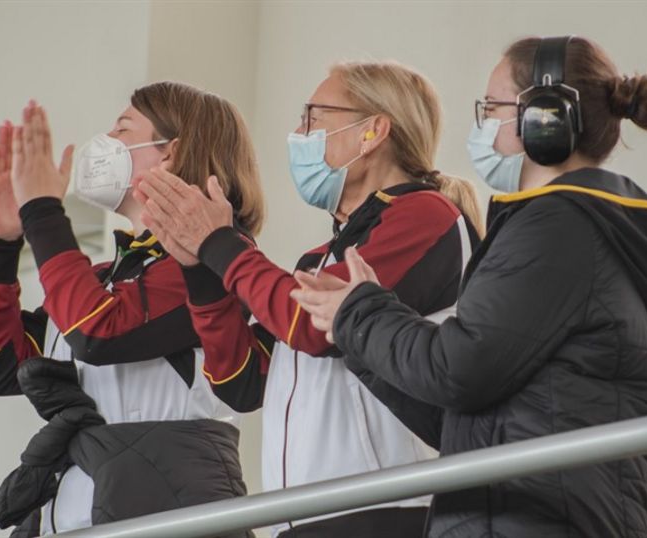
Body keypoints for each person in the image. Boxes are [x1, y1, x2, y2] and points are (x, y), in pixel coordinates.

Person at [291, 36, 647, 537]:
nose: (482, 125)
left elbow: (460, 369)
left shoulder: (559, 226)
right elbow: (458, 416)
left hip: (541, 521)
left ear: (547, 117)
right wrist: (356, 335)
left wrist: (363, 315)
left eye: (493, 107)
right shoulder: (558, 226)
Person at [134, 61, 481, 537]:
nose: (298, 132)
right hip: (303, 516)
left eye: (314, 117)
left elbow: (314, 328)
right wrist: (201, 271)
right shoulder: (320, 258)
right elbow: (241, 380)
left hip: (388, 509)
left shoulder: (424, 215)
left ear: (374, 131)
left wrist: (220, 244)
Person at [0, 82, 263, 535]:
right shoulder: (107, 277)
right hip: (79, 515)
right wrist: (2, 242)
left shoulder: (212, 257)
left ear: (172, 153)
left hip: (169, 512)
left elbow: (100, 332)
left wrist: (44, 213)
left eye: (122, 128)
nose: (103, 141)